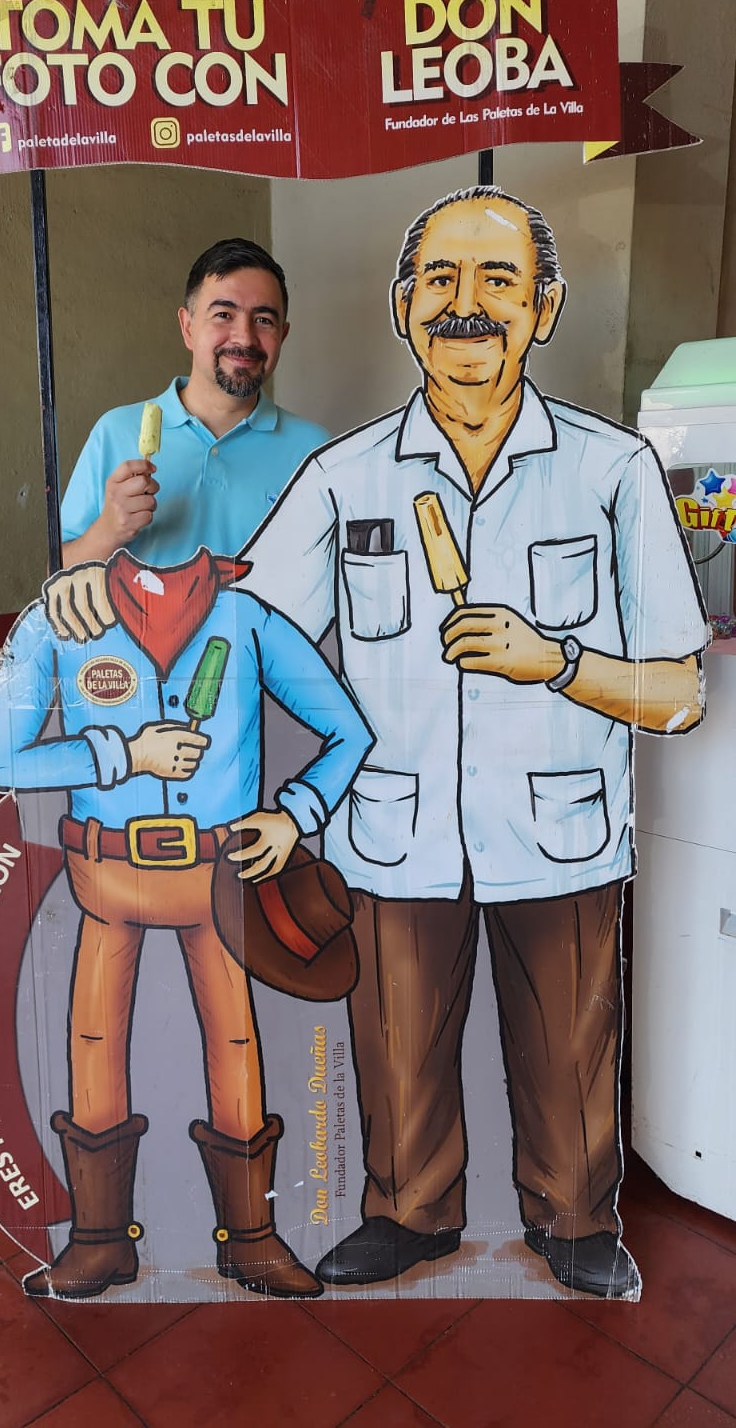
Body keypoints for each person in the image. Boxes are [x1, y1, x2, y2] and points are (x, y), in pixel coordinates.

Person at [44, 186, 707, 1300]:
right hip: (396, 828)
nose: (465, 304)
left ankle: (576, 1220)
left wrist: (555, 662)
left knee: (569, 1045)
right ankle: (408, 1215)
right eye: (439, 280)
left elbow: (679, 694)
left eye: (497, 280)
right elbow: (242, 629)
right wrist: (97, 592)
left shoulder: (612, 471)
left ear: (544, 307)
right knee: (396, 1046)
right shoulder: (344, 477)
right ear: (404, 308)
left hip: (561, 830)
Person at [0, 545, 372, 1301]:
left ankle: (251, 1239)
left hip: (220, 884)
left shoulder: (245, 620)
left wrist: (295, 816)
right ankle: (99, 1242)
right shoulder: (60, 623)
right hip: (108, 877)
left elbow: (348, 730)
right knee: (92, 1045)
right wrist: (122, 755)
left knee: (236, 1045)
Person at [60, 237, 328, 568]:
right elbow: (56, 577)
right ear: (188, 327)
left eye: (263, 320)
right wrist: (108, 532)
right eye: (223, 314)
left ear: (282, 335)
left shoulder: (316, 451)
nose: (244, 337)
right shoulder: (115, 432)